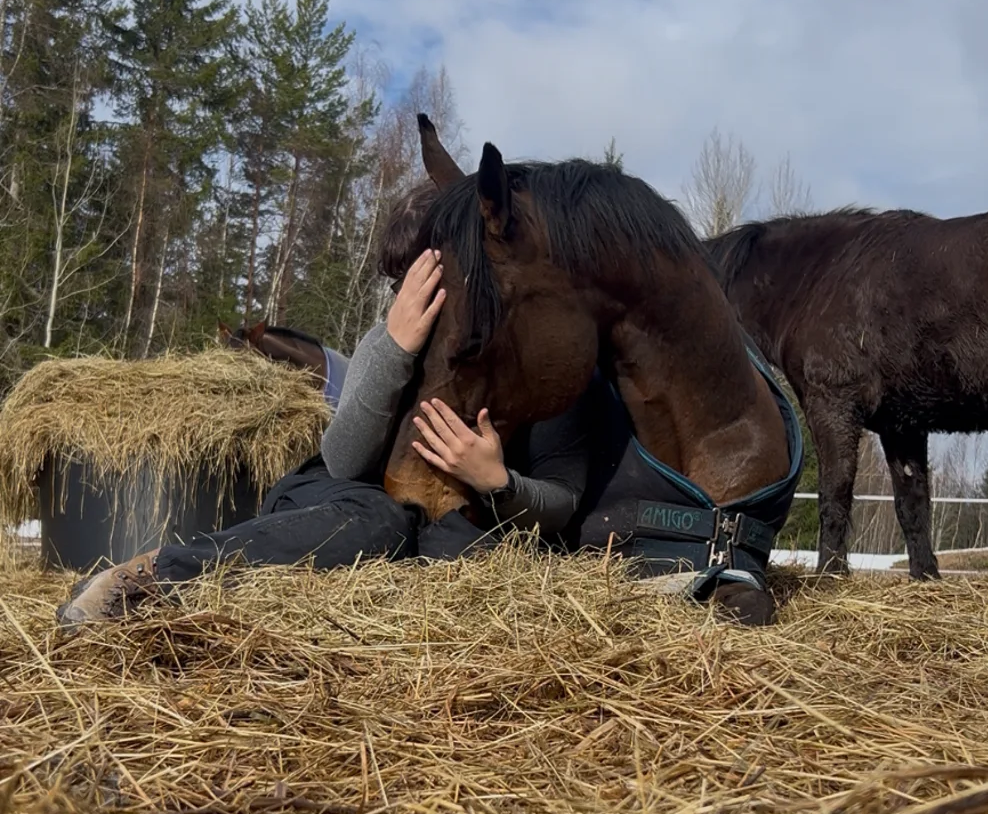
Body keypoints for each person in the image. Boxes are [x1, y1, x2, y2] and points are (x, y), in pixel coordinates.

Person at [56, 249, 592, 628]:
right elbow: (343, 458)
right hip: (342, 495)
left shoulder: (547, 367)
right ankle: (153, 576)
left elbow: (564, 498)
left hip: (456, 517)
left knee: (459, 547)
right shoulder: (389, 340)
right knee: (383, 523)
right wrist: (395, 347)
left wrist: (498, 482)